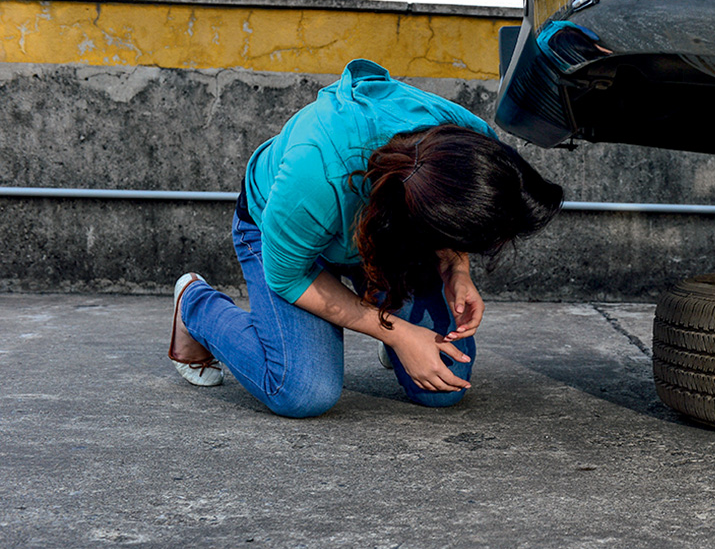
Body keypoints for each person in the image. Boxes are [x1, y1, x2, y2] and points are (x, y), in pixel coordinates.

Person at [168, 58, 563, 418]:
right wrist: (398, 331)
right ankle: (196, 306)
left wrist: (457, 271)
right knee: (302, 390)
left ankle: (395, 328)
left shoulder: (470, 140)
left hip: (384, 231)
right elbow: (288, 278)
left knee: (444, 385)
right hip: (286, 243)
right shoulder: (315, 173)